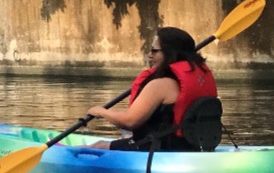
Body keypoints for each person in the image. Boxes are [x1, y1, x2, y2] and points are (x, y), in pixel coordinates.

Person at [86, 27, 221, 151]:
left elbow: (129, 121)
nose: (150, 55)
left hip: (159, 149)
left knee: (98, 146)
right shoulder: (198, 78)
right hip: (193, 146)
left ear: (170, 52)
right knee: (125, 138)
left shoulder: (159, 85)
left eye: (154, 51)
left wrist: (102, 112)